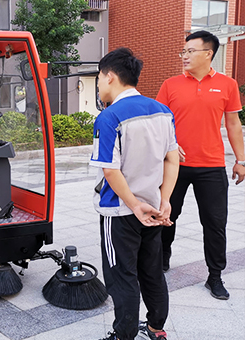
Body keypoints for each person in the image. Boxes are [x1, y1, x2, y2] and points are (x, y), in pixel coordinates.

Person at [91, 48, 179, 340]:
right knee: (151, 271)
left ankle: (123, 335)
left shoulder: (109, 117)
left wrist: (133, 205)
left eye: (99, 78)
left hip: (120, 212)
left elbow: (110, 171)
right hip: (153, 209)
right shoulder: (163, 111)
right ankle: (156, 328)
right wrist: (164, 200)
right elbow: (172, 159)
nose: (99, 85)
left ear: (111, 76)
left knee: (122, 276)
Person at [156, 30, 245, 300]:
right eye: (183, 51)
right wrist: (169, 143)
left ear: (208, 53)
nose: (184, 56)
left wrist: (241, 160)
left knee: (215, 223)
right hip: (175, 166)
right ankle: (161, 261)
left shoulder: (227, 85)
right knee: (166, 217)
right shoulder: (170, 85)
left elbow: (233, 124)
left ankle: (215, 276)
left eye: (190, 51)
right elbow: (159, 122)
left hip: (212, 166)